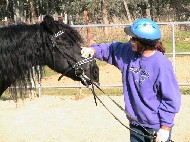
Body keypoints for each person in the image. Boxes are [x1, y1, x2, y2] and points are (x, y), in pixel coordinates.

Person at [81, 18, 181, 142]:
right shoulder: (128, 53)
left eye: (133, 39)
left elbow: (171, 98)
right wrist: (94, 50)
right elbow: (112, 48)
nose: (130, 41)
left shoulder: (161, 65)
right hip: (135, 124)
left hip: (156, 127)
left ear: (143, 42)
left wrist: (165, 128)